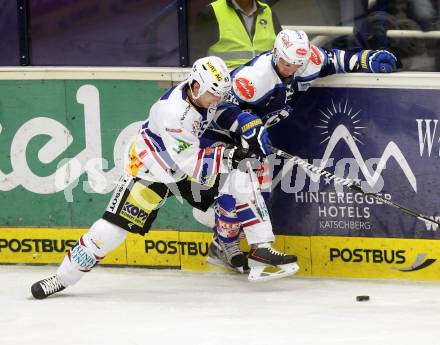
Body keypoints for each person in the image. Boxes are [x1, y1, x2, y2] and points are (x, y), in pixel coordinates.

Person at [30, 56, 298, 299]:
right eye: (212, 95)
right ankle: (62, 278)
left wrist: (245, 123)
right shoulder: (173, 113)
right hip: (152, 173)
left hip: (184, 167)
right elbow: (192, 165)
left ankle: (261, 245)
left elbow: (223, 109)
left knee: (243, 175)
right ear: (195, 87)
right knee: (110, 232)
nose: (216, 99)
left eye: (220, 94)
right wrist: (231, 155)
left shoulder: (205, 91)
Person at [201, 29, 399, 272]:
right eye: (285, 63)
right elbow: (217, 107)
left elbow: (334, 59)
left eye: (297, 64)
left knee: (258, 194)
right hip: (218, 135)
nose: (290, 69)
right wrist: (244, 121)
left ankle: (223, 243)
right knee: (239, 189)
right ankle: (226, 243)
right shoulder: (253, 78)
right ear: (275, 54)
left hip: (253, 136)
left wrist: (364, 59)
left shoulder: (306, 60)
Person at [190, 0, 282, 68]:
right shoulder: (211, 12)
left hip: (265, 83)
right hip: (226, 84)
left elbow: (282, 49)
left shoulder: (268, 12)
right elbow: (196, 57)